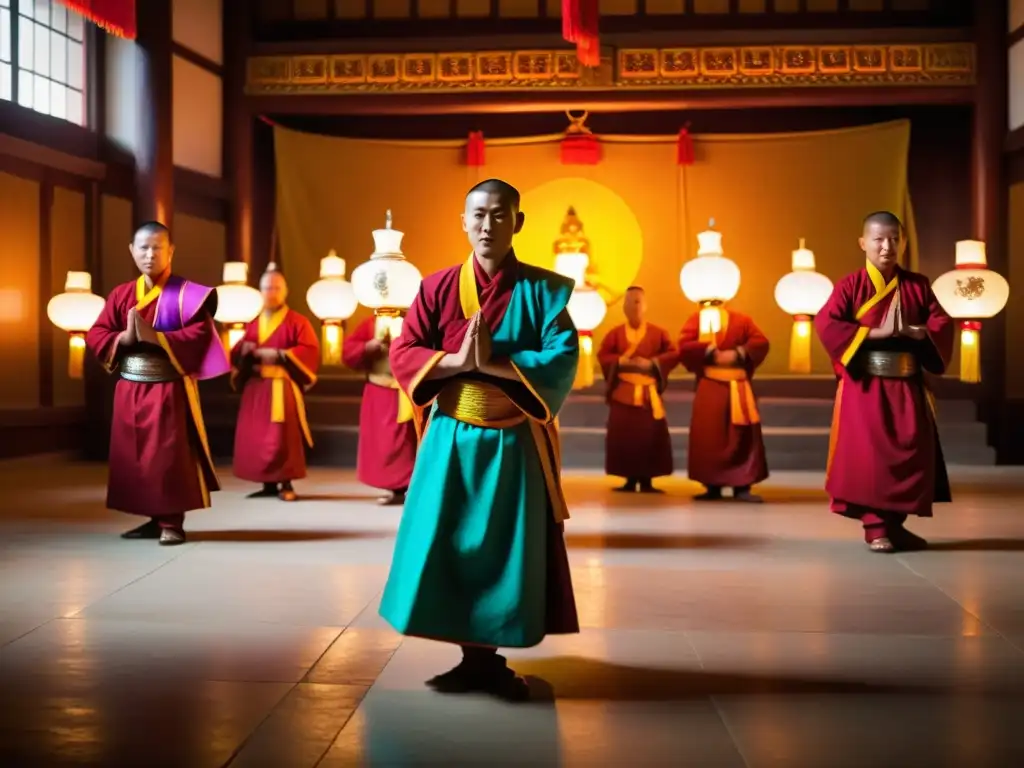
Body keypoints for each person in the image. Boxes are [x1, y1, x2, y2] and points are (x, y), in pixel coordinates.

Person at [380, 178, 580, 702]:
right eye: (478, 215)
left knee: (503, 551)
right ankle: (469, 657)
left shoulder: (544, 290)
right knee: (450, 546)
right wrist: (453, 363)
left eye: (499, 215)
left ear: (517, 222)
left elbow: (562, 357)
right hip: (449, 438)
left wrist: (493, 364)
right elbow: (405, 350)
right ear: (463, 221)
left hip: (513, 441)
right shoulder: (436, 287)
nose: (487, 225)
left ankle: (489, 658)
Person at [815, 211, 953, 552]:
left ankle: (894, 525)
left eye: (894, 239)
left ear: (903, 242)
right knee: (871, 458)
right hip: (865, 386)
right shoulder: (850, 286)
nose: (887, 247)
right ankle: (875, 528)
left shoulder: (918, 285)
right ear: (863, 243)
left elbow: (941, 323)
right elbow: (827, 324)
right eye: (878, 239)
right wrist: (876, 333)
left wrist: (918, 333)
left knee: (910, 455)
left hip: (906, 384)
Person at [86, 221, 229, 545]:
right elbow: (97, 332)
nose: (150, 254)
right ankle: (152, 518)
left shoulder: (186, 295)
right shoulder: (122, 294)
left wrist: (157, 337)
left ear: (171, 251)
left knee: (166, 456)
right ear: (132, 251)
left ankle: (171, 522)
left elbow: (199, 334)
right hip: (129, 387)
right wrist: (123, 337)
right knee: (134, 456)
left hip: (168, 386)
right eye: (143, 248)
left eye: (157, 247)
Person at [230, 264, 319, 501]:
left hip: (281, 387)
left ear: (285, 291)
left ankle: (286, 483)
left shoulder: (297, 321)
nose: (271, 292)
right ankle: (267, 484)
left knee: (282, 437)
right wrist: (244, 350)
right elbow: (238, 351)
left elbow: (309, 350)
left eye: (276, 287)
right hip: (257, 388)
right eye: (266, 288)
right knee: (258, 435)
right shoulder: (254, 322)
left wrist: (281, 355)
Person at [677, 305, 770, 502]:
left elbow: (760, 342)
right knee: (709, 435)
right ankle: (712, 485)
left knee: (742, 435)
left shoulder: (742, 320)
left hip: (738, 386)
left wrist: (739, 353)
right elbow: (684, 346)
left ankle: (742, 485)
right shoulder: (696, 319)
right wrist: (710, 351)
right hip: (711, 386)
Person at [598, 286, 677, 493]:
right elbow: (604, 356)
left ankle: (648, 480)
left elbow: (672, 354)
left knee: (650, 436)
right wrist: (620, 361)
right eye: (629, 302)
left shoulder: (658, 333)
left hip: (647, 395)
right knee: (624, 436)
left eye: (638, 301)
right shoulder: (615, 334)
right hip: (623, 391)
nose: (634, 306)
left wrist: (652, 364)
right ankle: (630, 479)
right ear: (623, 307)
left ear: (645, 305)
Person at [342, 314, 417, 505]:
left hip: (410, 389)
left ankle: (413, 487)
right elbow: (348, 352)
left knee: (410, 441)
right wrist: (367, 347)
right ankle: (395, 488)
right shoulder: (370, 323)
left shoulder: (416, 317)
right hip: (380, 389)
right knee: (384, 441)